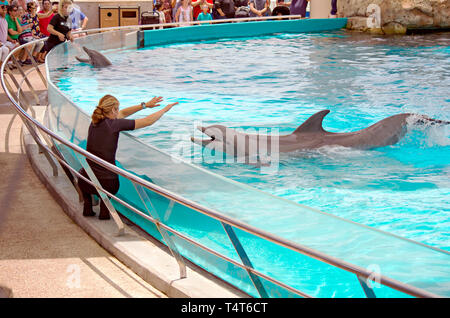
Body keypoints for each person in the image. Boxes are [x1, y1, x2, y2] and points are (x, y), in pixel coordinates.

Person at [78, 95, 178, 220]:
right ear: (113, 110)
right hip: (107, 184)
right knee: (109, 186)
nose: (119, 112)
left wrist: (145, 105)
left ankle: (88, 207)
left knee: (88, 178)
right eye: (117, 109)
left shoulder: (94, 122)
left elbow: (123, 113)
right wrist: (164, 110)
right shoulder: (114, 124)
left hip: (84, 178)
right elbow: (147, 121)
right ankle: (104, 211)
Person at [0, 0, 20, 67]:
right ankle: (3, 66)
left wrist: (11, 40)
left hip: (5, 42)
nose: (4, 10)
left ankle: (7, 64)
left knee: (17, 45)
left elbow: (5, 34)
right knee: (5, 49)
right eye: (3, 9)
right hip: (1, 43)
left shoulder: (5, 20)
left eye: (5, 9)